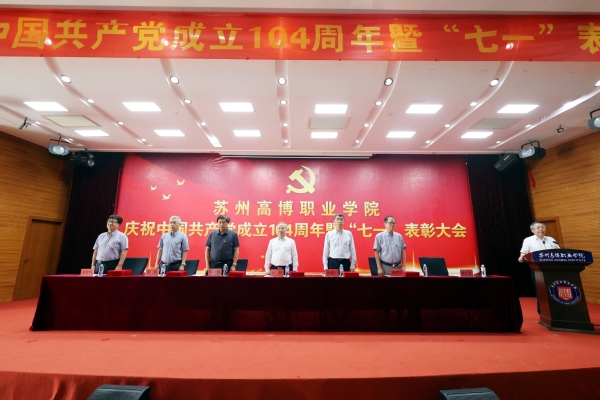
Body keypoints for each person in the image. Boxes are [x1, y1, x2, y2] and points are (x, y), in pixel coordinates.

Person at [518, 221, 560, 313]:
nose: (541, 229)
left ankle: (557, 309)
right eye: (538, 228)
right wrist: (521, 257)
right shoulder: (528, 240)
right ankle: (543, 311)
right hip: (537, 269)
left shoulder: (551, 239)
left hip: (552, 268)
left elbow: (558, 252)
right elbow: (524, 253)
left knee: (554, 288)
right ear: (532, 230)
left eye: (542, 227)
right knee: (541, 290)